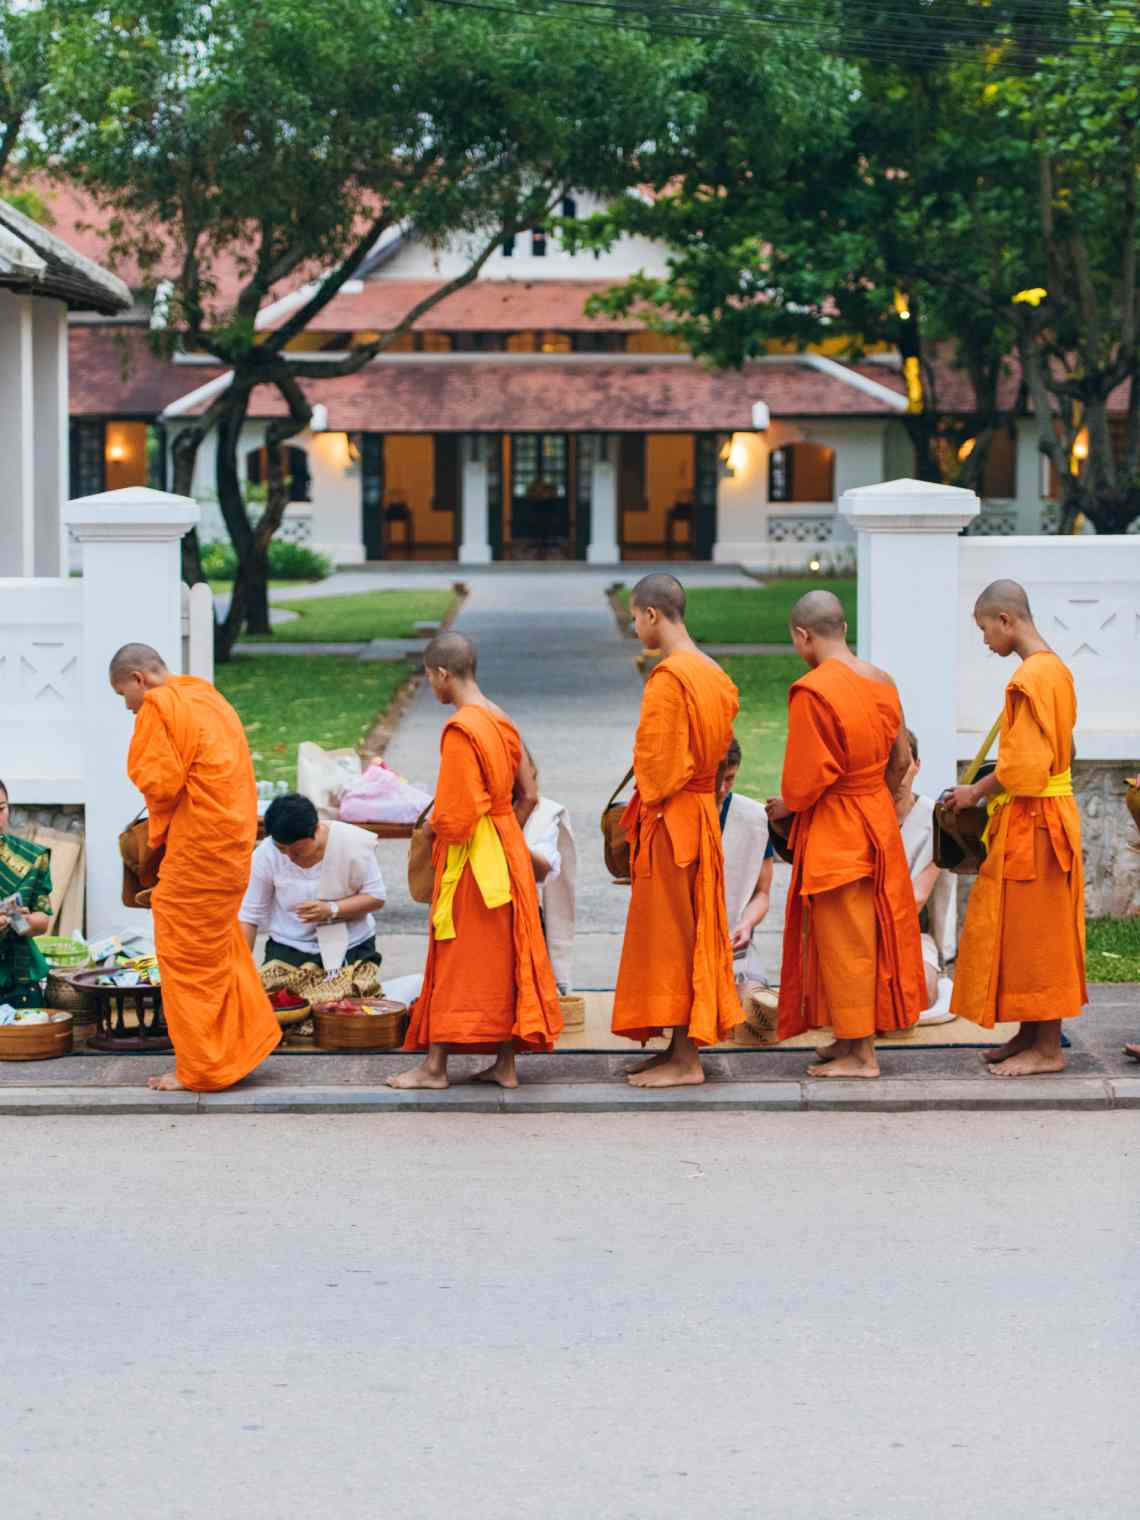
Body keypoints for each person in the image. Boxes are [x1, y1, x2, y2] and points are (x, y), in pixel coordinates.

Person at [389, 631, 562, 1090]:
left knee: (453, 955)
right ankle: (505, 1065)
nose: (432, 688)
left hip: (472, 856)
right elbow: (530, 794)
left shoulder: (462, 728)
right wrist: (506, 832)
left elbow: (457, 817)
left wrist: (428, 833)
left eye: (430, 679)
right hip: (507, 847)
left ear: (442, 673)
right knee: (507, 954)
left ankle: (434, 1067)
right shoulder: (502, 719)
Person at [767, 590, 927, 1079]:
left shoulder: (814, 691)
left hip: (838, 827)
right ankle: (849, 1036)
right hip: (875, 819)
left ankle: (862, 1056)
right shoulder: (882, 680)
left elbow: (805, 781)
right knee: (864, 934)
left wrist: (786, 806)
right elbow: (901, 762)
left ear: (803, 634)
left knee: (846, 939)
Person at [111, 643, 281, 1091]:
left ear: (137, 680)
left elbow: (160, 782)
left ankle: (201, 1067)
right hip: (231, 846)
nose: (128, 708)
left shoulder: (158, 706)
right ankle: (241, 1047)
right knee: (219, 948)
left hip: (199, 850)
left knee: (186, 958)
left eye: (122, 695)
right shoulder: (204, 695)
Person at [942, 579, 1086, 1076]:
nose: (985, 642)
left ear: (1006, 620)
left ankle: (1048, 1049)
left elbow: (1025, 768)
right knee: (1025, 933)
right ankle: (1028, 1034)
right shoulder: (1055, 671)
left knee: (1039, 935)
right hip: (1044, 817)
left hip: (1038, 821)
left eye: (985, 629)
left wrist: (975, 792)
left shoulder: (1030, 679)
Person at [614, 573, 740, 1088]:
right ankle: (676, 1048)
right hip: (701, 816)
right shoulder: (713, 673)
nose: (633, 625)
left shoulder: (670, 678)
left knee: (674, 939)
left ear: (653, 615)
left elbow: (658, 770)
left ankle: (687, 1062)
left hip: (673, 822)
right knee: (689, 932)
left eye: (634, 616)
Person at [239, 792, 386, 969]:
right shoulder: (266, 854)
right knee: (279, 996)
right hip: (289, 946)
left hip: (352, 945)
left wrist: (331, 909)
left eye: (297, 850)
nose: (290, 857)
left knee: (346, 997)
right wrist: (241, 971)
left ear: (316, 830)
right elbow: (249, 916)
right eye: (282, 849)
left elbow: (376, 897)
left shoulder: (352, 843)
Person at [895, 728, 956, 1015]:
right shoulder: (860, 818)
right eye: (889, 769)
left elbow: (916, 898)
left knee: (916, 992)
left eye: (904, 767)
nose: (898, 779)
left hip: (914, 935)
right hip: (862, 932)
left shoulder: (936, 818)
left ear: (917, 766)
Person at [717, 737, 775, 993]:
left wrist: (747, 924)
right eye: (715, 779)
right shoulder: (677, 815)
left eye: (729, 778)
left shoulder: (753, 818)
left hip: (732, 941)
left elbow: (762, 893)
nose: (721, 788)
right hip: (679, 945)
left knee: (754, 1010)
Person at [518, 748, 577, 996]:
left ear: (529, 771)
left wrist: (508, 840)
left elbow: (544, 871)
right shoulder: (471, 808)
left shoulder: (544, 813)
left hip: (524, 916)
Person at [0, 780, 53, 1008]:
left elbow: (43, 921)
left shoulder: (32, 857)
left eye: (0, 808)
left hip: (20, 980)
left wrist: (24, 921)